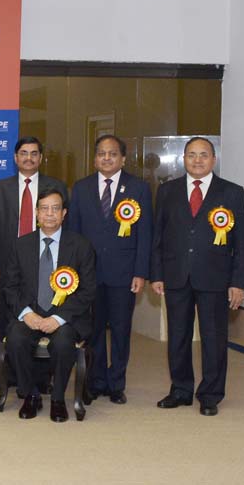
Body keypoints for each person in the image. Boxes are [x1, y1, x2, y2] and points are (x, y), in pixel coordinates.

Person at [151, 137, 244, 416]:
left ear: (213, 159)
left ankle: (210, 394)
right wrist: (156, 273)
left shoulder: (231, 192)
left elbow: (242, 242)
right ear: (183, 159)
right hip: (176, 275)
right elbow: (159, 235)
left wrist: (238, 282)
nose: (197, 160)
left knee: (213, 338)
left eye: (203, 155)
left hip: (215, 278)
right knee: (178, 336)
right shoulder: (167, 191)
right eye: (191, 155)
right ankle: (181, 389)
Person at [67, 135, 152, 404]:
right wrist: (75, 271)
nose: (106, 158)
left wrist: (140, 272)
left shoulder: (138, 188)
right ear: (94, 158)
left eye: (112, 154)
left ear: (123, 158)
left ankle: (116, 383)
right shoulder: (80, 188)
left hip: (124, 272)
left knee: (120, 329)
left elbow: (145, 234)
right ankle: (95, 380)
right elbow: (74, 233)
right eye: (101, 153)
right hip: (89, 274)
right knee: (92, 330)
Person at [4, 189, 96, 423]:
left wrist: (58, 318)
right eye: (44, 208)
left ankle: (57, 398)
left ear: (64, 213)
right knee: (15, 339)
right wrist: (26, 314)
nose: (50, 214)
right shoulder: (21, 245)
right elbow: (10, 287)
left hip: (66, 316)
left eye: (55, 208)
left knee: (64, 342)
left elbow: (87, 290)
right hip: (31, 312)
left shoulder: (81, 245)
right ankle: (31, 395)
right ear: (36, 213)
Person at [0, 136, 67, 342]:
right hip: (9, 259)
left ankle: (40, 370)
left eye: (34, 154)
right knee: (8, 313)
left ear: (40, 158)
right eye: (24, 153)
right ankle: (6, 370)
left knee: (44, 308)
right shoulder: (1, 187)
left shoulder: (56, 186)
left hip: (45, 256)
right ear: (15, 158)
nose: (28, 158)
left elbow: (64, 223)